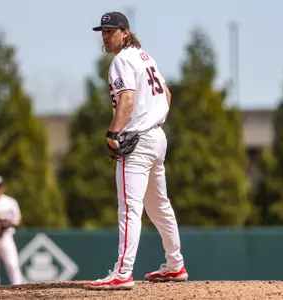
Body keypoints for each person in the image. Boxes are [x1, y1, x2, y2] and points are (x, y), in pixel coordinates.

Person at [86, 11, 189, 290]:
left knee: (130, 209)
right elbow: (166, 94)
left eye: (110, 31)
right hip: (156, 138)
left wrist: (112, 134)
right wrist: (157, 116)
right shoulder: (144, 56)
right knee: (159, 206)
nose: (106, 37)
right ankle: (175, 264)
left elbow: (127, 101)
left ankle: (122, 272)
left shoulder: (121, 60)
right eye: (103, 32)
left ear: (125, 32)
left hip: (137, 142)